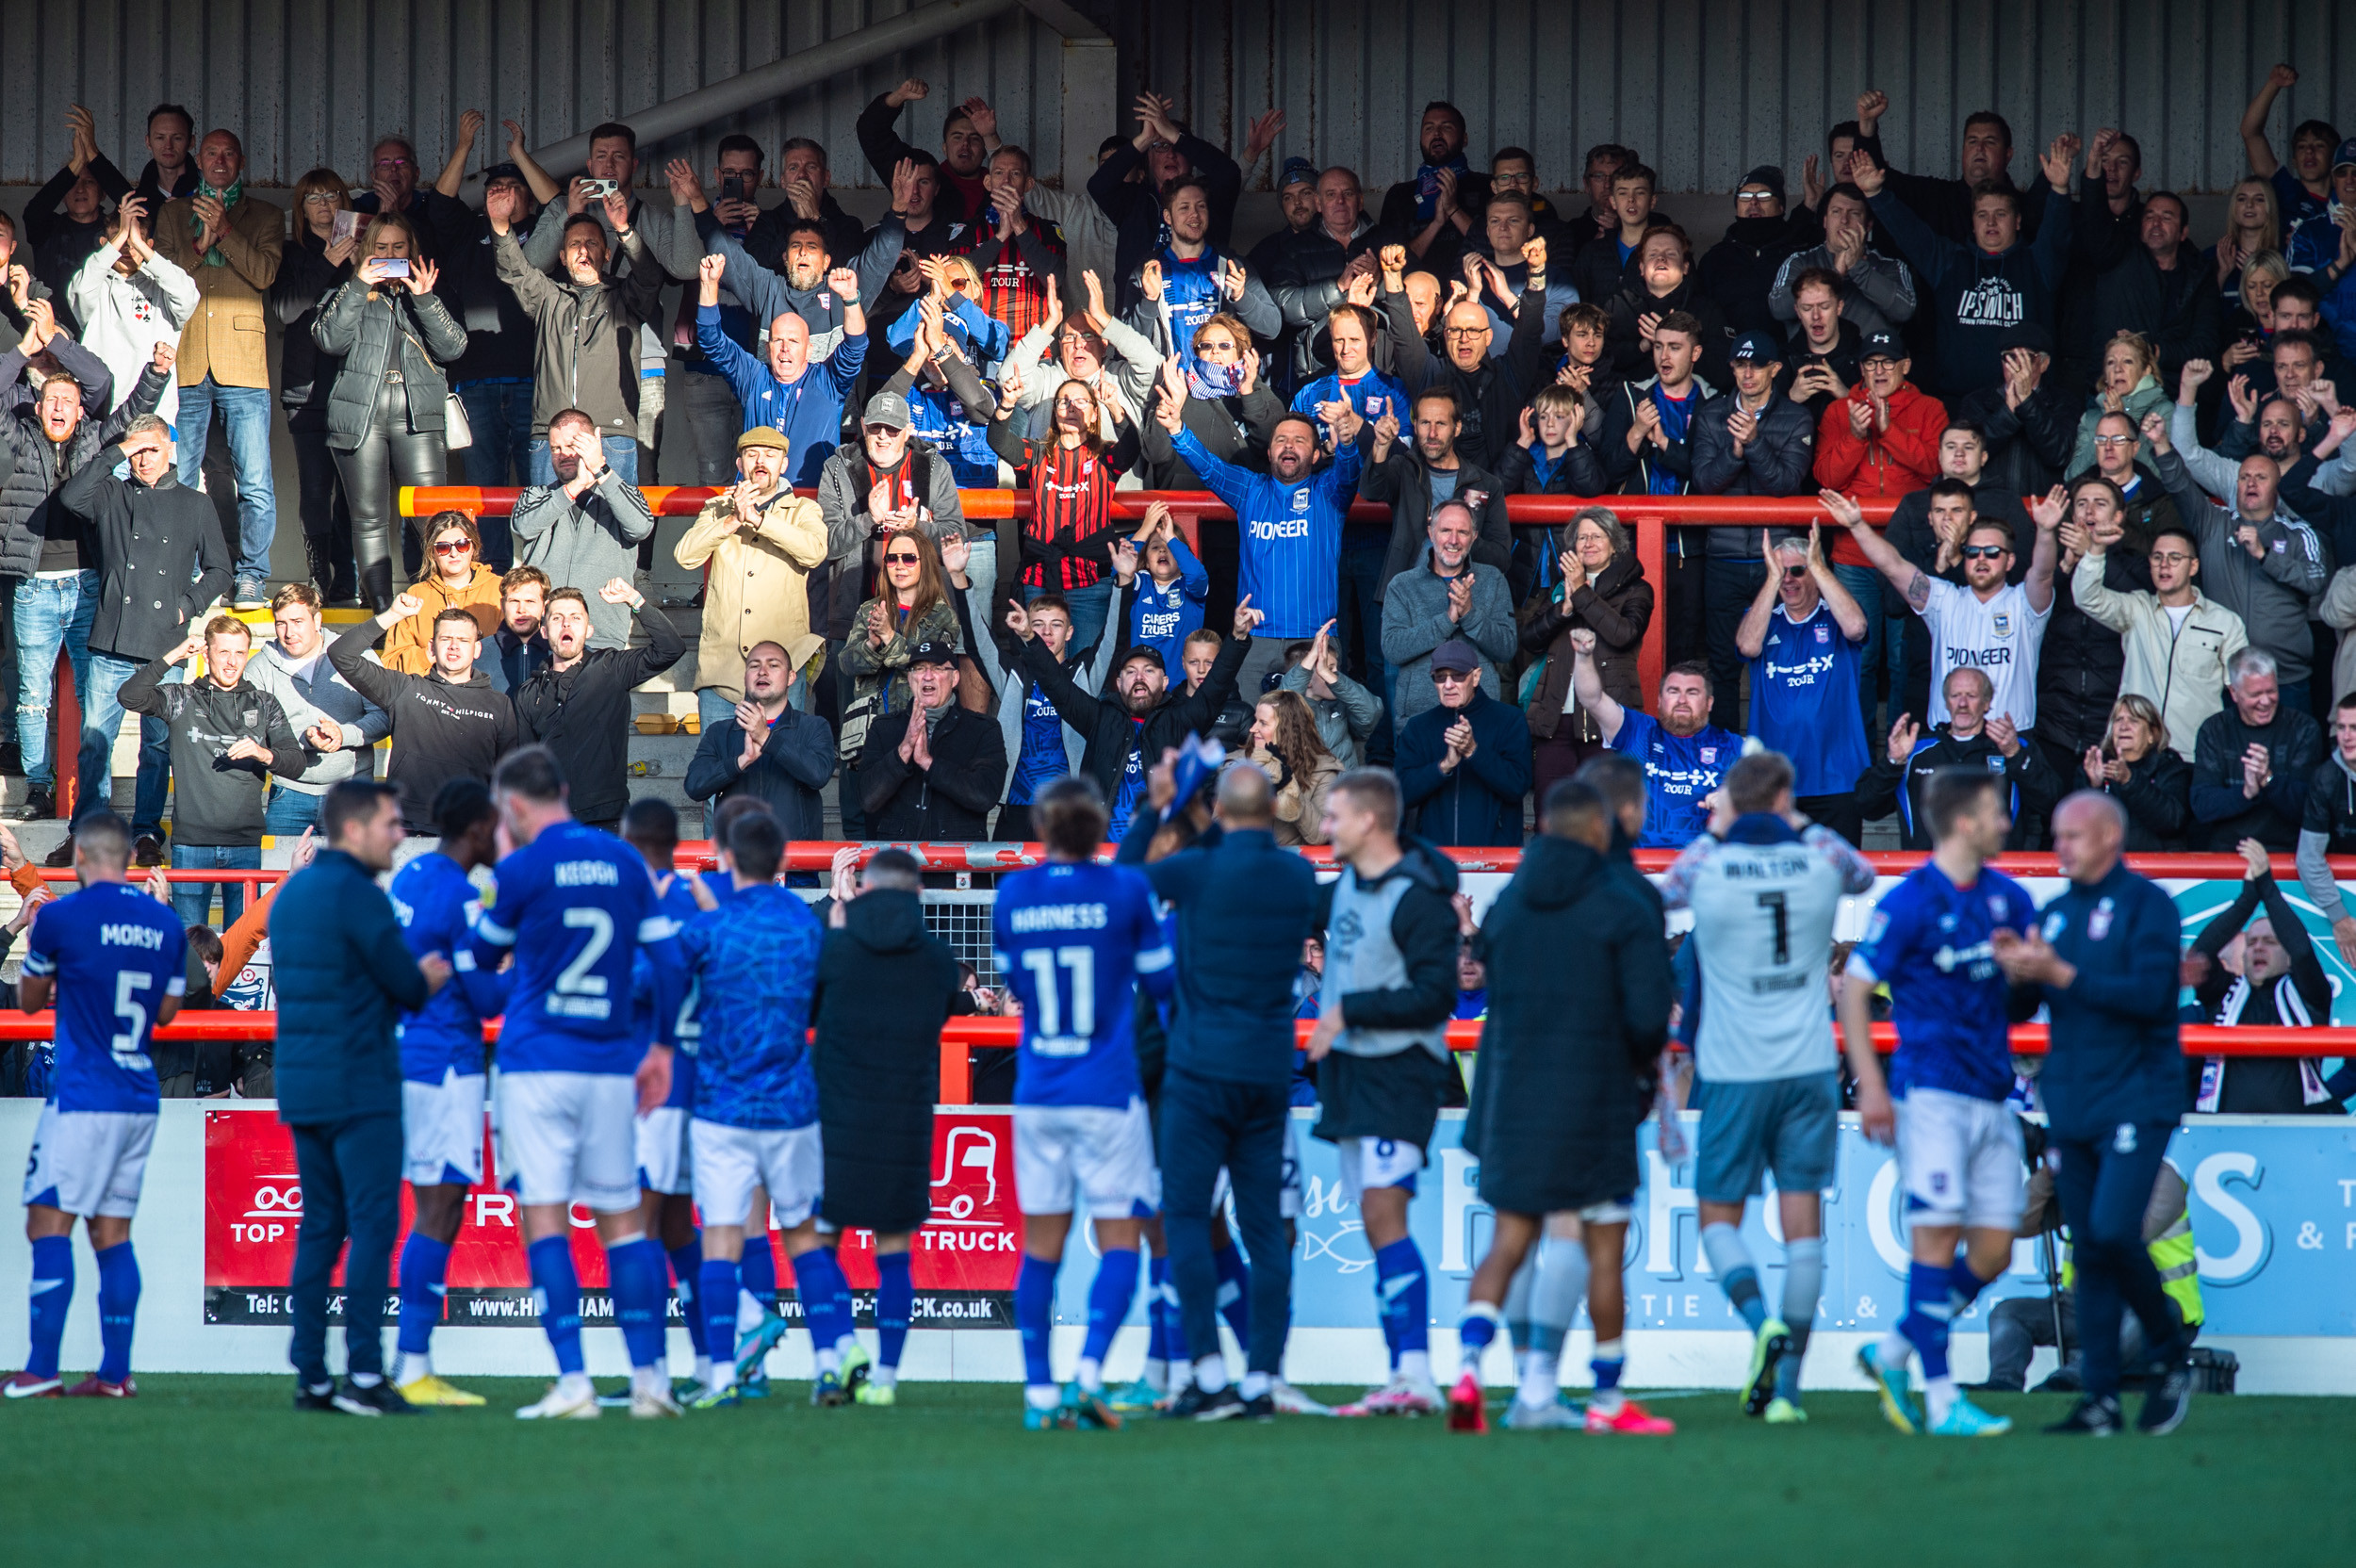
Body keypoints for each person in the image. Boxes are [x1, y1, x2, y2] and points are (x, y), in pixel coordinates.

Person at [1447, 779, 1677, 1434]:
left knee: (1508, 1238)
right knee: (1602, 1244)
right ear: (1601, 830)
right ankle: (1601, 1399)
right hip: (1593, 1091)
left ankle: (1469, 1370)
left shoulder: (1510, 901)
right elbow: (1647, 1019)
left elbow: (1488, 971)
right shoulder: (1626, 902)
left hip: (1509, 1087)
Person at [466, 745, 685, 1420]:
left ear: (515, 806)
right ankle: (651, 1384)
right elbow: (671, 962)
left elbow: (479, 959)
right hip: (610, 1064)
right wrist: (663, 1050)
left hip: (536, 1063)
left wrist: (503, 862)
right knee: (623, 1225)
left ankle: (575, 1385)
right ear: (563, 788)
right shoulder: (625, 860)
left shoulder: (522, 866)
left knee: (546, 1221)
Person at [1660, 750, 1877, 1425]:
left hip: (1732, 1069)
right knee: (1803, 1228)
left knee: (1717, 1218)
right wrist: (1798, 824)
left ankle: (1760, 1324)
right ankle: (1787, 1393)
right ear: (1785, 800)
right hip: (1810, 1065)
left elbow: (1662, 890)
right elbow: (1864, 872)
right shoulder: (1819, 861)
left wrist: (1724, 828)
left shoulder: (1710, 865)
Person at [1117, 763, 1321, 1421]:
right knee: (1265, 1230)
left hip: (1200, 1071)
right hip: (1266, 1071)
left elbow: (1125, 880)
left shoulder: (1198, 870)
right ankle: (1262, 1378)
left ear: (1221, 815)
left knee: (1184, 1218)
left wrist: (1161, 807)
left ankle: (1206, 1371)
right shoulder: (1296, 875)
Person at [1991, 792, 2198, 1436]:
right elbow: (2023, 1008)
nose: (2059, 847)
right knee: (2092, 1247)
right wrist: (2015, 974)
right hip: (2073, 1100)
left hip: (2138, 1094)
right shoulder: (2054, 915)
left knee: (2111, 1232)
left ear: (2109, 837)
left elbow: (2150, 996)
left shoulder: (2149, 908)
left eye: (2071, 836)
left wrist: (2062, 972)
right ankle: (2101, 1399)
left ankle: (2168, 1352)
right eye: (2056, 836)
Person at [1842, 768, 2037, 1437]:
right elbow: (1854, 989)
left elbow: (2026, 1004)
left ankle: (1894, 1350)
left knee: (1993, 1253)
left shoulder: (2011, 900)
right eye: (1994, 811)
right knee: (1935, 1241)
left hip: (1993, 1093)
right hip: (1929, 1092)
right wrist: (1871, 1083)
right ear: (1963, 822)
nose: (2006, 822)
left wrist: (2024, 975)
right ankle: (1939, 1397)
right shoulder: (1910, 902)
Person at [988, 776, 1174, 1429]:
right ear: (1100, 830)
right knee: (1121, 1234)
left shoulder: (1012, 893)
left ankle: (1039, 1393)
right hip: (1107, 1088)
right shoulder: (1127, 890)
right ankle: (1091, 1371)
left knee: (1041, 1244)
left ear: (1041, 829)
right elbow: (1162, 985)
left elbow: (1013, 982)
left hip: (1039, 1089)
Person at [270, 782, 450, 1414]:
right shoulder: (362, 897)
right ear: (353, 830)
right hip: (361, 1082)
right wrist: (427, 975)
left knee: (319, 1228)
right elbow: (406, 984)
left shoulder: (292, 896)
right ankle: (366, 1374)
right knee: (374, 1227)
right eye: (391, 824)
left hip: (301, 1081)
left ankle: (312, 1373)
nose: (400, 835)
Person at [4, 812, 186, 1400]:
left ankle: (40, 1369)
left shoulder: (60, 917)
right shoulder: (165, 924)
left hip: (84, 1092)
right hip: (138, 1093)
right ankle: (114, 1374)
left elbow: (29, 1003)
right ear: (127, 862)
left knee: (47, 1222)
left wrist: (45, 945)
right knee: (113, 1233)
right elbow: (165, 1015)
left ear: (79, 858)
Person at [1298, 769, 1462, 1417]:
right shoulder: (1342, 891)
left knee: (1385, 1214)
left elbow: (1436, 996)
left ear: (1368, 822)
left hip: (1399, 1075)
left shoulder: (1418, 898)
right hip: (1350, 1077)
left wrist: (1347, 1012)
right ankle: (1406, 1372)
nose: (1324, 827)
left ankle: (1415, 1372)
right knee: (1373, 1219)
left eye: (1334, 816)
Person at [671, 808, 838, 1409]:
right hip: (793, 1102)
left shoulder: (708, 927)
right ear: (786, 863)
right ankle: (826, 1366)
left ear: (728, 859)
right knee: (801, 1237)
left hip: (723, 1104)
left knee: (721, 1238)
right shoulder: (805, 924)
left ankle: (723, 1374)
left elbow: (661, 980)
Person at [809, 843, 962, 1407]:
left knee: (821, 1244)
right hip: (905, 1120)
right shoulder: (938, 960)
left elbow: (809, 1007)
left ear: (864, 888)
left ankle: (836, 1354)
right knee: (895, 1252)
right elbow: (945, 1008)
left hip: (837, 1119)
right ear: (919, 894)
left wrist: (839, 916)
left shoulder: (836, 949)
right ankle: (887, 1379)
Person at [0, 333, 172, 826]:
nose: (58, 407)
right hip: (32, 584)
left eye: (68, 402)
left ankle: (84, 788)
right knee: (33, 696)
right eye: (51, 400)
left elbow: (132, 411)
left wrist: (157, 373)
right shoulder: (19, 432)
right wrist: (22, 349)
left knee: (89, 693)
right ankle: (37, 785)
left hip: (86, 584)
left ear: (80, 412)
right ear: (39, 406)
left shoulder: (97, 438)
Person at [385, 778, 511, 1408]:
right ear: (476, 829)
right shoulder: (461, 898)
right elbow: (486, 998)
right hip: (446, 1066)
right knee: (439, 1211)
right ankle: (413, 1366)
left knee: (435, 1208)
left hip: (413, 1058)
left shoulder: (411, 876)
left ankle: (413, 1362)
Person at [58, 413, 233, 864]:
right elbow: (73, 496)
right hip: (112, 639)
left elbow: (220, 569)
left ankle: (146, 834)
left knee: (156, 748)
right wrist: (117, 450)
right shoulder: (113, 494)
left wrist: (185, 606)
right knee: (96, 742)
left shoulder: (195, 504)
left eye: (152, 449)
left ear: (170, 449)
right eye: (136, 452)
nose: (143, 459)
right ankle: (85, 833)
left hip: (165, 644)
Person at [150, 128, 283, 607]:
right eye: (211, 153)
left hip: (242, 363)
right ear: (197, 160)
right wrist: (201, 242)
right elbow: (165, 276)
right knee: (180, 476)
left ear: (241, 160)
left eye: (229, 153)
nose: (220, 160)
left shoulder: (266, 215)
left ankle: (251, 576)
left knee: (254, 481)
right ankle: (181, 573)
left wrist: (225, 230)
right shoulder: (172, 213)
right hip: (185, 360)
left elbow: (265, 274)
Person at [1160, 395, 1366, 694]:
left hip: (1314, 639)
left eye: (1300, 440)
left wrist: (1347, 444)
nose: (1289, 445)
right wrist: (1178, 430)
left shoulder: (1328, 492)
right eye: (1281, 440)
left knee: (1312, 737)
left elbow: (1349, 475)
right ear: (1269, 452)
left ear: (1316, 454)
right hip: (1254, 640)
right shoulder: (1250, 489)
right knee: (1252, 735)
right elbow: (1209, 468)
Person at [1853, 133, 2078, 402]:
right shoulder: (1950, 261)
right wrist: (1875, 194)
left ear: (2017, 221)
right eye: (1982, 215)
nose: (1991, 222)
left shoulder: (2037, 263)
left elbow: (2057, 234)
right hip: (1958, 405)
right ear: (1973, 223)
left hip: (2026, 405)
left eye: (2001, 214)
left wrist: (2060, 190)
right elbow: (1911, 233)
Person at [312, 217, 466, 610]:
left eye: (399, 248)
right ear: (366, 252)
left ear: (412, 252)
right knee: (368, 519)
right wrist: (359, 286)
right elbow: (329, 339)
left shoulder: (430, 291)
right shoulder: (348, 291)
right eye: (381, 248)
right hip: (361, 416)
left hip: (418, 417)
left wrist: (425, 299)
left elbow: (454, 348)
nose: (390, 256)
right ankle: (380, 608)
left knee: (431, 517)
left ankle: (440, 604)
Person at [120, 614, 304, 929]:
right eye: (224, 652)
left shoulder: (263, 703)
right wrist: (175, 655)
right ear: (206, 654)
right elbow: (130, 695)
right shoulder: (182, 698)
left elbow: (296, 762)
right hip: (192, 844)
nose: (232, 662)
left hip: (246, 845)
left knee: (241, 946)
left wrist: (263, 753)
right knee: (191, 944)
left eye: (240, 653)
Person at [1019, 599, 1252, 843]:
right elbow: (1057, 686)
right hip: (1103, 854)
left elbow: (1216, 687)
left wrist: (1237, 637)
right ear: (1118, 683)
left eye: (1149, 671)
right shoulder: (1099, 717)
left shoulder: (1180, 719)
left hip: (1161, 852)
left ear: (1164, 682)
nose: (1139, 677)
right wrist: (1029, 637)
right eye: (1130, 672)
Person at [1829, 485, 2057, 734]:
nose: (1981, 558)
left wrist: (2045, 532)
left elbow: (2043, 574)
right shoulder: (1943, 598)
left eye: (1992, 552)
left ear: (2010, 560)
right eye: (1972, 552)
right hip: (1947, 742)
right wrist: (1857, 526)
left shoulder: (2023, 602)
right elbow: (1893, 566)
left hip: (2009, 744)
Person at [2148, 400, 2330, 706]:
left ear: (2277, 487)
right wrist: (2162, 445)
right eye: (2244, 477)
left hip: (2285, 680)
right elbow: (2180, 486)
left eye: (2261, 478)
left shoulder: (2299, 531)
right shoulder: (2213, 523)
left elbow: (2315, 581)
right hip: (2222, 676)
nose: (2250, 483)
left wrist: (2265, 555)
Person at [486, 177, 665, 483]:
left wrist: (624, 229)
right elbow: (514, 270)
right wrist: (501, 225)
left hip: (610, 435)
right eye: (574, 244)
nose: (583, 250)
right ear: (562, 257)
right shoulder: (548, 296)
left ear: (607, 254)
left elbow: (649, 276)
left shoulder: (626, 296)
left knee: (612, 527)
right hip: (550, 438)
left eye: (592, 243)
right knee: (548, 528)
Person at [675, 427, 831, 737]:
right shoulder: (717, 509)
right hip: (723, 670)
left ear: (783, 464)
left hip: (782, 669)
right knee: (720, 773)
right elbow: (685, 555)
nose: (761, 461)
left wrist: (760, 520)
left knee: (782, 770)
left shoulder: (803, 509)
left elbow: (814, 552)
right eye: (752, 454)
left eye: (770, 455)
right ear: (739, 464)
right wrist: (733, 520)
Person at [328, 594, 524, 836]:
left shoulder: (500, 705)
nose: (454, 645)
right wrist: (393, 615)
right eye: (446, 638)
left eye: (463, 640)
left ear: (477, 649)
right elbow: (341, 654)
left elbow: (509, 775)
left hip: (469, 829)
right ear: (431, 647)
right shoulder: (405, 688)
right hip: (405, 825)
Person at [507, 580, 684, 832]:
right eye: (557, 618)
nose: (566, 623)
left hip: (606, 818)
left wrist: (634, 600)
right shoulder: (528, 692)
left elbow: (671, 648)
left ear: (588, 630)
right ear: (544, 631)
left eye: (575, 617)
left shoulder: (610, 667)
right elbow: (527, 765)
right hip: (553, 822)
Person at [2071, 514, 2249, 760]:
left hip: (2195, 754)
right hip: (2137, 756)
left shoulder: (2225, 622)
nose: (2164, 565)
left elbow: (2242, 690)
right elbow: (2085, 597)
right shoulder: (2136, 608)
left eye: (2175, 558)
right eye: (2157, 557)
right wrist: (2097, 549)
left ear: (2193, 566)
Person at [1734, 527, 1873, 841]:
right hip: (1773, 782)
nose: (1788, 579)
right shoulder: (1762, 616)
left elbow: (1856, 627)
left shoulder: (1837, 616)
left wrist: (1820, 567)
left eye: (1798, 570)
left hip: (1838, 778)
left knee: (1839, 878)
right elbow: (1748, 647)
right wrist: (1771, 579)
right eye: (1780, 571)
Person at [2184, 836, 2338, 1114]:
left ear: (2287, 954)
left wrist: (2266, 884)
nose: (2258, 948)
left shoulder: (2310, 994)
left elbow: (2302, 952)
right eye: (2252, 943)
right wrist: (2247, 900)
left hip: (2302, 1139)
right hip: (2219, 1141)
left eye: (2270, 942)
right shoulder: (2223, 993)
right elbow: (2201, 955)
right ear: (2242, 956)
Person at [1517, 506, 1653, 802]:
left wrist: (1581, 591)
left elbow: (1624, 635)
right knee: (1552, 812)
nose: (1588, 543)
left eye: (1597, 536)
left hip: (1607, 719)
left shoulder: (1637, 589)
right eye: (1581, 538)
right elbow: (1530, 639)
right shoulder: (1559, 587)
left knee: (1606, 814)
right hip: (1556, 717)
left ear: (1614, 543)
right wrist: (1563, 609)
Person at [693, 254, 868, 478]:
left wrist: (851, 299)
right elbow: (711, 340)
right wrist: (708, 285)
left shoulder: (827, 381)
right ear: (768, 349)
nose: (785, 347)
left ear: (809, 350)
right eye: (778, 340)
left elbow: (855, 348)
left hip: (811, 504)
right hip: (757, 500)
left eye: (794, 341)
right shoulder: (753, 377)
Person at [1855, 667, 2063, 851]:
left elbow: (2053, 804)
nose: (1962, 703)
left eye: (1971, 696)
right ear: (1946, 702)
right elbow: (1867, 807)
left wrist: (2015, 755)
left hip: (1996, 873)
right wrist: (1893, 762)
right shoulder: (1914, 751)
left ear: (1987, 703)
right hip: (1928, 875)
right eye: (1955, 695)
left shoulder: (2013, 747)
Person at [243, 583, 390, 839]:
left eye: (297, 621)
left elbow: (384, 716)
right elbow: (252, 732)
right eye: (281, 623)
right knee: (280, 877)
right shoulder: (259, 667)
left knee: (351, 877)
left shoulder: (356, 655)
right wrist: (303, 738)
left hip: (352, 791)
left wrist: (343, 735)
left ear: (317, 620)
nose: (289, 633)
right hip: (289, 792)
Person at [510, 413, 659, 650]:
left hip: (602, 640)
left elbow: (641, 527)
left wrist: (599, 468)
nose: (563, 455)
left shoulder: (623, 494)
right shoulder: (536, 495)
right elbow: (523, 526)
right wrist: (576, 485)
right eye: (555, 448)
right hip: (543, 638)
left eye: (572, 445)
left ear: (593, 443)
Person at [1574, 639, 1742, 848]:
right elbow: (1593, 700)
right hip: (1638, 869)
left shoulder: (1733, 746)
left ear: (1709, 703)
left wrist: (1733, 799)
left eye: (1692, 692)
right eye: (1673, 691)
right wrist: (1583, 656)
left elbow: (1765, 798)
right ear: (1660, 700)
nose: (1682, 700)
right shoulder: (1638, 730)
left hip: (1701, 869)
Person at [1380, 498, 1516, 728]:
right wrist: (1448, 619)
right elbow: (1393, 649)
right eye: (1445, 531)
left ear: (1474, 536)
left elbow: (1507, 649)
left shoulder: (1493, 579)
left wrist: (1470, 614)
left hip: (1480, 718)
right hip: (1419, 719)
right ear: (1431, 534)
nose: (1453, 540)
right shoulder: (1402, 585)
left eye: (1462, 532)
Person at [855, 639, 1007, 841]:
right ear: (910, 679)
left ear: (955, 679)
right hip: (900, 865)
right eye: (919, 669)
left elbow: (984, 796)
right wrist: (904, 750)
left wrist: (928, 762)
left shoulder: (983, 729)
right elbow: (868, 799)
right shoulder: (884, 728)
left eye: (937, 668)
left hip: (957, 865)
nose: (927, 676)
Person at [685, 641, 834, 841]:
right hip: (737, 863)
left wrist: (766, 737)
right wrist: (740, 762)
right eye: (754, 666)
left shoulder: (813, 726)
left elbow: (818, 775)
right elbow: (694, 786)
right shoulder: (720, 732)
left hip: (795, 864)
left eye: (773, 665)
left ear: (791, 677)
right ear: (745, 678)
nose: (762, 672)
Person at [1394, 639, 1531, 847]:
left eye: (1457, 676)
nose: (1448, 685)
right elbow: (1400, 793)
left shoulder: (1509, 720)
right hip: (1434, 861)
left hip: (1495, 859)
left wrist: (1474, 752)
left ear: (1476, 677)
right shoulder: (1417, 727)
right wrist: (1443, 767)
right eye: (1440, 678)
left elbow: (1517, 786)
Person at [2189, 647, 2322, 852]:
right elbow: (2202, 806)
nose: (2266, 701)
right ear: (2234, 693)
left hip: (2288, 855)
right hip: (2227, 855)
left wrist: (2269, 781)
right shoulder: (2214, 730)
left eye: (2271, 691)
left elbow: (2312, 807)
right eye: (2256, 694)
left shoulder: (2303, 728)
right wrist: (2245, 793)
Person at [1768, 183, 1918, 340]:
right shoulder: (1799, 262)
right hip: (1813, 363)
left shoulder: (1890, 266)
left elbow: (1904, 311)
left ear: (1868, 225)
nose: (1844, 220)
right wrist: (1834, 276)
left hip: (1870, 364)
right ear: (1825, 221)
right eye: (1836, 212)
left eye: (1854, 213)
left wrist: (1858, 268)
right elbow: (1778, 308)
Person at [379, 512, 502, 676]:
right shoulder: (416, 596)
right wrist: (430, 653)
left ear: (474, 547)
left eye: (462, 545)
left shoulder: (500, 590)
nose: (454, 553)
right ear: (432, 553)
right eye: (443, 547)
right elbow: (390, 664)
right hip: (430, 693)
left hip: (489, 690)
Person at [2082, 695, 2195, 851]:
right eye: (2118, 720)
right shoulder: (2096, 765)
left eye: (2134, 720)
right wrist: (2094, 786)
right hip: (2107, 867)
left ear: (2152, 734)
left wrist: (2129, 780)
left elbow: (2172, 821)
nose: (2124, 726)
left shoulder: (2170, 766)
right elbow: (2081, 829)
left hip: (2159, 869)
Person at [1251, 690, 1344, 848]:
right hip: (1246, 864)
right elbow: (1220, 828)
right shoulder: (1241, 764)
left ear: (1287, 729)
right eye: (1255, 721)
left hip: (1292, 865)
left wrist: (1288, 787)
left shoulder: (1322, 772)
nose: (1252, 729)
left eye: (1263, 723)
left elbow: (1320, 836)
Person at [487, 565, 553, 694]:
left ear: (544, 607)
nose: (521, 609)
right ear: (502, 605)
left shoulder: (559, 652)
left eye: (530, 601)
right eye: (514, 601)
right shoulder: (479, 653)